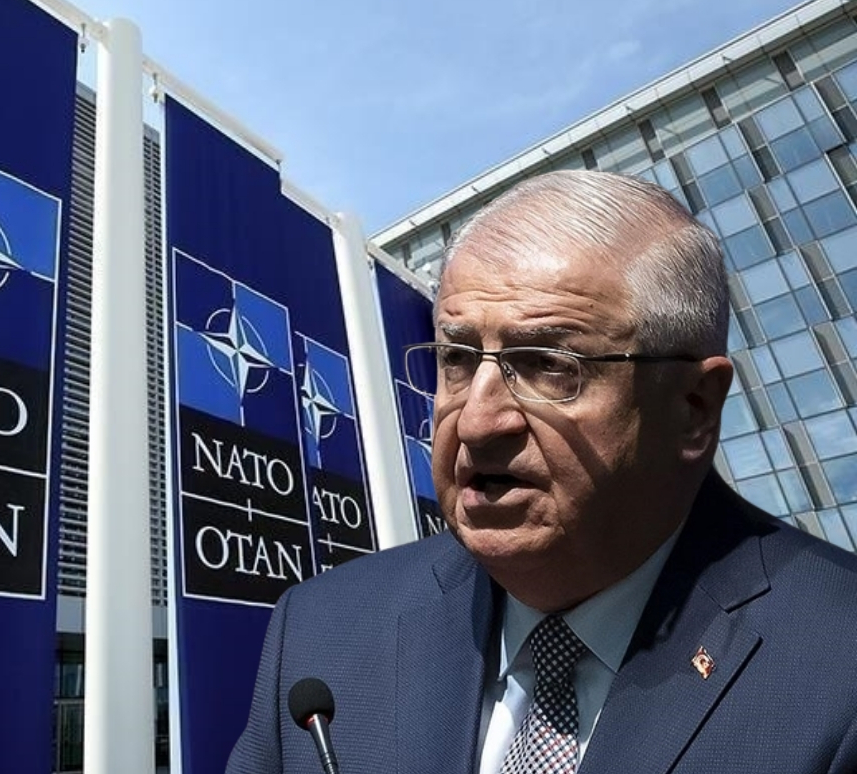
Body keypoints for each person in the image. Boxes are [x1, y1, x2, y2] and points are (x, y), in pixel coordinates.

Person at [226, 170, 857, 774]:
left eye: (549, 365)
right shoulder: (321, 634)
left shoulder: (837, 664)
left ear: (692, 408)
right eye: (456, 358)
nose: (477, 422)